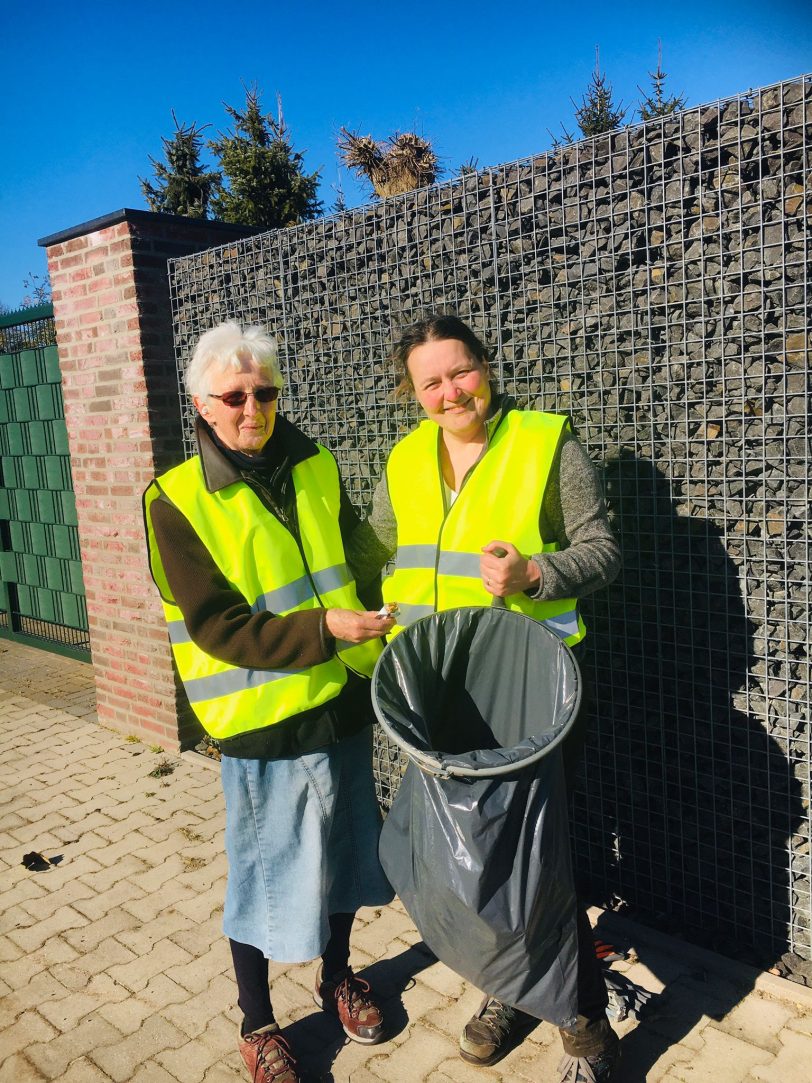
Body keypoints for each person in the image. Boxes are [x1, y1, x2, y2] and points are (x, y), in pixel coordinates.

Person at [349, 313, 622, 1082]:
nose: (449, 391)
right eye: (430, 381)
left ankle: (585, 1030)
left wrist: (537, 574)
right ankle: (508, 988)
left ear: (486, 366)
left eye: (460, 371)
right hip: (438, 700)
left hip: (528, 694)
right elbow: (380, 549)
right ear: (413, 392)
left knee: (538, 864)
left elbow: (602, 549)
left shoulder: (543, 441)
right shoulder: (404, 459)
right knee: (467, 865)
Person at [143, 322, 395, 1083]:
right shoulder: (174, 499)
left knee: (347, 854)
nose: (254, 407)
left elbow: (361, 551)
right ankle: (257, 1020)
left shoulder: (314, 462)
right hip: (261, 718)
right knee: (265, 872)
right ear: (201, 404)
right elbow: (217, 625)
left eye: (265, 391)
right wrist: (324, 628)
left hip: (342, 696)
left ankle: (336, 976)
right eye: (235, 395)